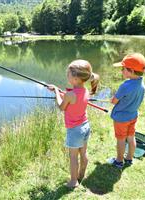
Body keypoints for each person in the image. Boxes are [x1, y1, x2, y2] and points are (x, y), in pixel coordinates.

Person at [48, 60, 100, 188]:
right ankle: (81, 174)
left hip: (74, 130)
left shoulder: (70, 95)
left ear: (76, 78)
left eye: (69, 74)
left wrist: (55, 91)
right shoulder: (85, 90)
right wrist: (61, 93)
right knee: (83, 153)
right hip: (85, 126)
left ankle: (73, 181)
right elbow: (73, 99)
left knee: (73, 157)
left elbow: (61, 106)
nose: (67, 76)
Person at [108, 53, 145, 169]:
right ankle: (129, 159)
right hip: (133, 116)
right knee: (131, 137)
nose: (121, 71)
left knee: (121, 139)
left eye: (123, 69)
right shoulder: (141, 84)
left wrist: (113, 100)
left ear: (131, 71)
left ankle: (119, 161)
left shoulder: (125, 85)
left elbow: (114, 101)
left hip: (121, 119)